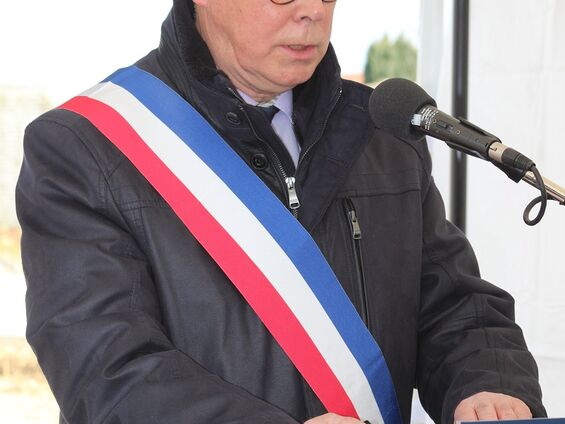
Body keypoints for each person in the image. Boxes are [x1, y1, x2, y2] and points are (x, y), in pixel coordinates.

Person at [16, 1, 545, 423]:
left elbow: (450, 306)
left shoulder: (382, 135)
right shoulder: (87, 148)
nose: (313, 10)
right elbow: (105, 369)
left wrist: (489, 382)